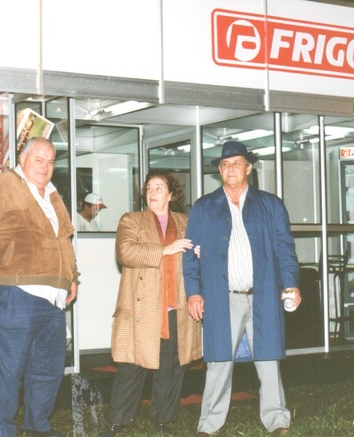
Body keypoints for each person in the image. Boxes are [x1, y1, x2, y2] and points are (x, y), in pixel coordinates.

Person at [183, 141, 302, 437]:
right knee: (219, 361)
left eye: (236, 163)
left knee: (268, 359)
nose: (230, 169)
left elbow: (285, 248)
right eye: (224, 165)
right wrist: (194, 291)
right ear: (219, 171)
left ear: (248, 167)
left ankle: (278, 421)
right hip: (223, 298)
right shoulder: (204, 207)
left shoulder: (270, 205)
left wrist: (291, 284)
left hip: (262, 295)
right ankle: (208, 426)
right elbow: (190, 253)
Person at [0, 137, 78, 437]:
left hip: (53, 300)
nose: (45, 167)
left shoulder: (53, 196)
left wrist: (71, 277)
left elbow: (63, 240)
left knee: (49, 370)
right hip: (12, 293)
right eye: (39, 159)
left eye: (51, 161)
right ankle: (1, 432)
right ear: (22, 159)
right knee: (6, 372)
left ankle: (37, 428)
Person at [104, 170, 202, 436]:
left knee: (171, 367)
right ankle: (118, 420)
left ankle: (164, 420)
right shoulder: (132, 220)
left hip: (176, 308)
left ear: (171, 195)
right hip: (142, 310)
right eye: (149, 188)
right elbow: (125, 252)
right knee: (132, 367)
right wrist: (165, 250)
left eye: (159, 188)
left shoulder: (186, 221)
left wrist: (200, 253)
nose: (152, 193)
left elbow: (199, 256)